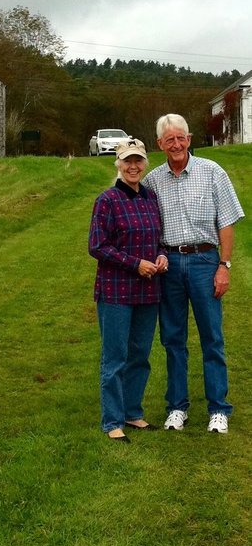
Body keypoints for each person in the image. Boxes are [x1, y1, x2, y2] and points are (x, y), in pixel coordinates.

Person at [144, 114, 244, 434]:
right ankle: (177, 407)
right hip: (169, 265)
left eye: (181, 138)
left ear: (189, 139)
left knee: (211, 338)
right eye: (169, 139)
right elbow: (149, 230)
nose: (176, 144)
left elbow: (226, 222)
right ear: (159, 144)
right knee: (173, 339)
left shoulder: (212, 172)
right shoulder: (153, 181)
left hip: (204, 262)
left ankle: (218, 408)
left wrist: (224, 267)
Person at [88, 138, 168, 442]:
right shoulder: (107, 200)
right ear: (118, 164)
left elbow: (159, 237)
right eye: (127, 161)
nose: (133, 166)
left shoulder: (150, 198)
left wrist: (161, 255)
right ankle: (113, 420)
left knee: (140, 355)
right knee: (115, 357)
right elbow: (97, 246)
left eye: (138, 161)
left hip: (148, 292)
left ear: (145, 163)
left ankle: (133, 412)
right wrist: (135, 264)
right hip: (116, 291)